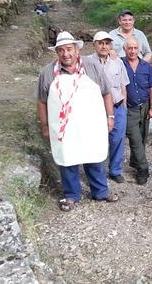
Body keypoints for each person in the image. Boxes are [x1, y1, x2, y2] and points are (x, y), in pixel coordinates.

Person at [37, 31, 119, 211]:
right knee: (67, 159)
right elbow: (42, 101)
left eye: (69, 49)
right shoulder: (48, 73)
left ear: (77, 50)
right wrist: (45, 126)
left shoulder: (92, 66)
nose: (66, 54)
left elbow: (106, 92)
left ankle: (100, 191)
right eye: (61, 51)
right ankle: (71, 195)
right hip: (64, 127)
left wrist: (110, 116)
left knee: (94, 157)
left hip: (90, 124)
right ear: (56, 53)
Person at [85, 31, 130, 183]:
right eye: (101, 43)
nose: (104, 46)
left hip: (118, 107)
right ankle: (97, 171)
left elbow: (123, 83)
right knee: (98, 140)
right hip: (97, 109)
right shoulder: (87, 63)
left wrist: (124, 103)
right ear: (94, 45)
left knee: (117, 139)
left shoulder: (116, 61)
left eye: (107, 43)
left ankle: (115, 170)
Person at [122, 37, 152, 185]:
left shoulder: (145, 66)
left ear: (139, 50)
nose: (132, 51)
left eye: (135, 48)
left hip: (144, 106)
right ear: (125, 50)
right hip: (129, 109)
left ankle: (135, 163)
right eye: (129, 48)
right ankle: (143, 169)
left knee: (142, 138)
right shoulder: (119, 64)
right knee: (135, 140)